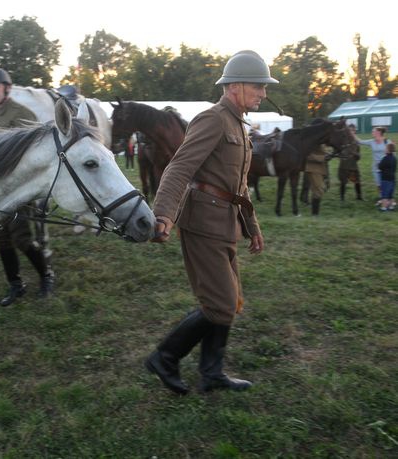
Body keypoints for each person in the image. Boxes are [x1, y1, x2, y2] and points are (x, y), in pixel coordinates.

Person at [144, 50, 275, 395]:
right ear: (234, 86)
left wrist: (253, 227)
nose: (263, 93)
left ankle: (211, 373)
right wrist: (164, 214)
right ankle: (165, 357)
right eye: (258, 86)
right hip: (202, 224)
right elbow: (179, 167)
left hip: (226, 224)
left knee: (229, 302)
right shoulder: (213, 119)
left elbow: (239, 185)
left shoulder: (238, 125)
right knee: (221, 303)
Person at [0, 67, 55, 306]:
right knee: (2, 239)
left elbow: (34, 152)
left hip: (20, 188)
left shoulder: (22, 113)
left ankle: (46, 275)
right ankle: (16, 285)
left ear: (7, 88)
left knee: (22, 239)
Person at [356, 126, 392, 200]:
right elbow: (360, 141)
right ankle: (382, 197)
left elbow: (392, 153)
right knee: (378, 184)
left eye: (373, 131)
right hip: (375, 167)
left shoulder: (387, 141)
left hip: (385, 167)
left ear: (378, 132)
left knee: (385, 183)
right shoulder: (371, 141)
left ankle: (386, 198)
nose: (371, 133)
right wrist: (351, 133)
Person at [338, 124, 363, 201]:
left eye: (353, 130)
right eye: (350, 130)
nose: (352, 132)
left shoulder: (356, 142)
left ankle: (359, 197)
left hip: (353, 165)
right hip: (344, 165)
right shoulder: (342, 141)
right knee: (343, 182)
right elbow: (338, 153)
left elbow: (358, 156)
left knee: (357, 181)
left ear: (355, 131)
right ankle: (342, 198)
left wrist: (355, 154)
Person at [304, 143, 330, 216]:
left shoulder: (321, 141)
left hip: (320, 169)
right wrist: (323, 158)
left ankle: (315, 213)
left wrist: (329, 154)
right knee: (319, 190)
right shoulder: (312, 141)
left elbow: (322, 152)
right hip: (313, 169)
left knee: (317, 190)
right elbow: (307, 155)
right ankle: (315, 214)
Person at [378, 142, 396, 211]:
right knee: (391, 194)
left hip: (385, 179)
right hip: (392, 178)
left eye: (386, 148)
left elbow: (380, 167)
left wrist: (379, 164)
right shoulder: (394, 158)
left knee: (384, 194)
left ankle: (384, 207)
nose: (384, 149)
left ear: (388, 150)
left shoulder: (385, 158)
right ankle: (391, 207)